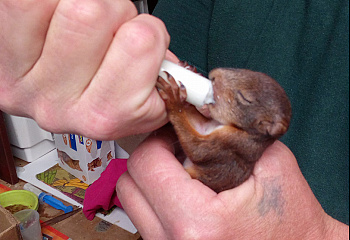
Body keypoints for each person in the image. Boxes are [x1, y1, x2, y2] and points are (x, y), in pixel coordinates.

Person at [0, 0, 348, 239]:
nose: (217, 77)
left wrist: (316, 235)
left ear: (264, 128)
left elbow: (198, 146)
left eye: (240, 97)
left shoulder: (237, 145)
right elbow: (149, 109)